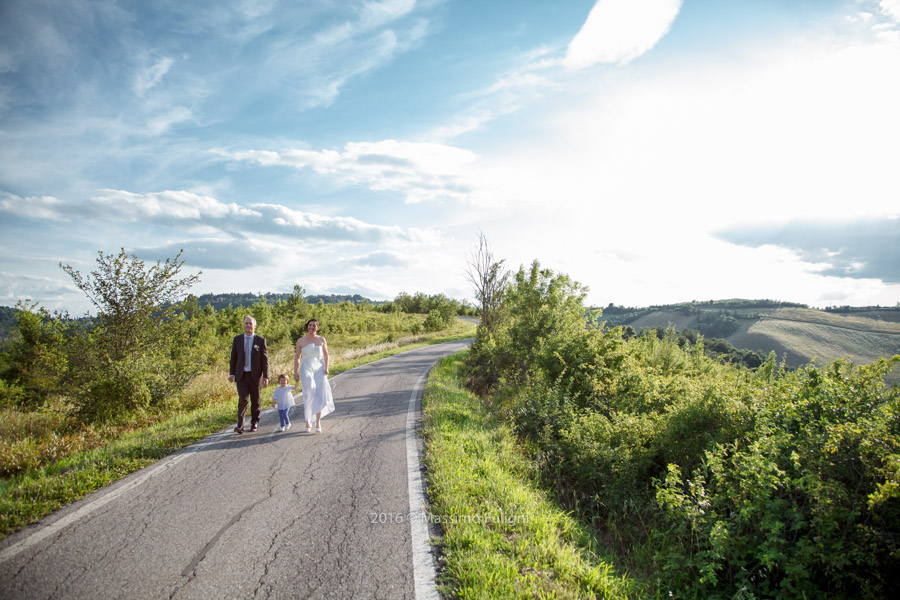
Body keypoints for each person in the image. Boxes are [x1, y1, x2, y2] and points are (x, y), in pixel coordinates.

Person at [229, 315, 269, 434]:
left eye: (250, 323)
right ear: (243, 325)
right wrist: (231, 373)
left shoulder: (260, 341)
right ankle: (240, 425)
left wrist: (266, 376)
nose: (248, 325)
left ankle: (254, 422)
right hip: (241, 375)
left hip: (255, 375)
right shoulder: (237, 339)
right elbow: (233, 358)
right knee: (243, 399)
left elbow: (265, 360)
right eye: (246, 323)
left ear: (254, 326)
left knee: (256, 400)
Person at [294, 318, 334, 433]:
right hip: (306, 368)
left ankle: (317, 421)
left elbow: (326, 355)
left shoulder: (321, 339)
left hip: (320, 369)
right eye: (309, 325)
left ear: (317, 327)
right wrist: (295, 371)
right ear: (307, 326)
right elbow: (297, 357)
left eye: (314, 326)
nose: (311, 327)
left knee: (320, 394)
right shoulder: (301, 341)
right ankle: (307, 421)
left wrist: (326, 367)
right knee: (309, 393)